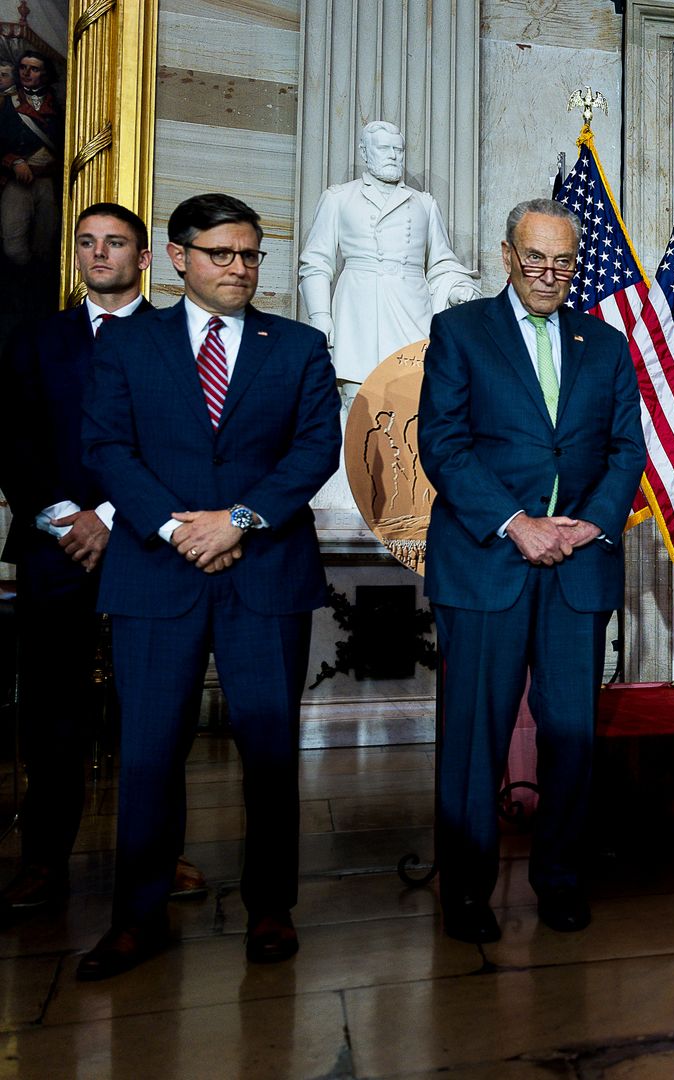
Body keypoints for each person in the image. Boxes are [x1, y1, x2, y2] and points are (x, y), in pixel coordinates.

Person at [76, 193, 340, 978]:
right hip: (156, 575)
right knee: (149, 753)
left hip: (266, 573)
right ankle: (138, 917)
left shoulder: (297, 345)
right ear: (178, 257)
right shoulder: (129, 343)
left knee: (269, 749)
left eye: (250, 254)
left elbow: (316, 448)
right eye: (221, 253)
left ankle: (271, 908)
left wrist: (240, 521)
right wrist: (178, 530)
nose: (239, 268)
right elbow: (107, 447)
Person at [416, 198, 646, 943]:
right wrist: (516, 523)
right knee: (474, 738)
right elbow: (443, 445)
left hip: (576, 568)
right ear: (508, 255)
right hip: (487, 562)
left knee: (572, 736)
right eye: (536, 258)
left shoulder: (604, 344)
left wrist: (593, 522)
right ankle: (467, 892)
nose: (550, 273)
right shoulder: (460, 332)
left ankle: (561, 881)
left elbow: (627, 449)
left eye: (564, 261)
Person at [0, 204, 152, 916]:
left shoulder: (178, 340)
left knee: (153, 708)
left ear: (143, 258)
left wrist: (112, 516)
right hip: (52, 544)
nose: (98, 254)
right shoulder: (38, 338)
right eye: (87, 243)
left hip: (147, 546)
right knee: (51, 710)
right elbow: (13, 435)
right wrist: (65, 515)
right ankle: (43, 859)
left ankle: (158, 854)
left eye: (114, 243)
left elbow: (181, 445)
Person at [297, 120, 479, 389]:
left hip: (412, 308)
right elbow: (316, 262)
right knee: (358, 395)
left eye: (398, 149)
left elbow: (441, 262)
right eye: (384, 148)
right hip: (359, 310)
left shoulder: (424, 204)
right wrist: (320, 314)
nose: (393, 155)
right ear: (364, 152)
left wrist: (455, 290)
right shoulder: (338, 198)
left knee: (414, 395)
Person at [0, 50, 59, 270]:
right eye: (23, 67)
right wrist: (14, 161)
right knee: (13, 246)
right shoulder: (6, 102)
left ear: (45, 74)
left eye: (34, 69)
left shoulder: (59, 105)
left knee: (45, 244)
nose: (26, 73)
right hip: (18, 181)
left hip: (48, 182)